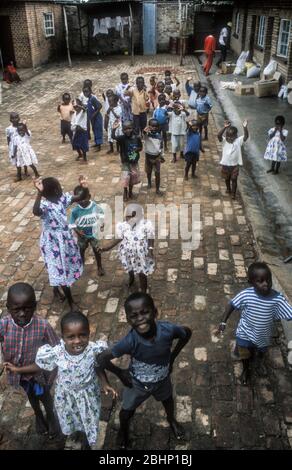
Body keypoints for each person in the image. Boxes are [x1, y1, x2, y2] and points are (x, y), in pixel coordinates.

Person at [5, 311, 117, 449]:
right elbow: (39, 365)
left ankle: (88, 440)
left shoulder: (93, 349)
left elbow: (97, 365)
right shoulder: (57, 353)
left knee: (89, 418)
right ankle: (75, 431)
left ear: (89, 333)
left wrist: (105, 382)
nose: (77, 341)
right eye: (71, 337)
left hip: (88, 395)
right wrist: (18, 370)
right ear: (62, 337)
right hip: (66, 396)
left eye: (82, 335)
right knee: (71, 416)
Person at [97, 292, 192, 449]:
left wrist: (173, 357)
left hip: (162, 381)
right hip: (137, 384)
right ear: (128, 319)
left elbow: (186, 333)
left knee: (168, 400)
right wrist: (120, 373)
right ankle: (123, 432)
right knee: (126, 413)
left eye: (145, 312)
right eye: (134, 316)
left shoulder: (168, 330)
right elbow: (101, 359)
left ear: (155, 312)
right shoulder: (129, 342)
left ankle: (171, 419)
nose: (140, 318)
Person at [217, 262, 292, 385]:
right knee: (245, 354)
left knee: (261, 352)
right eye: (260, 281)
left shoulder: (277, 299)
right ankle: (246, 370)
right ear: (251, 282)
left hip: (263, 335)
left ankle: (259, 361)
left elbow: (289, 313)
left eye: (268, 279)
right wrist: (223, 321)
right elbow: (232, 305)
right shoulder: (246, 295)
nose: (266, 284)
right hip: (245, 332)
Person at [1, 283, 59, 437]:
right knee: (31, 396)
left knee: (45, 397)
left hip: (39, 374)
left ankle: (51, 416)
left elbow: (57, 348)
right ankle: (38, 416)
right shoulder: (3, 325)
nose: (22, 314)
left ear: (34, 306)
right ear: (8, 308)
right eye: (16, 309)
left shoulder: (43, 326)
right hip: (20, 375)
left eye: (27, 309)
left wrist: (52, 369)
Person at [32, 176, 87, 310]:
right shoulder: (45, 206)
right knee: (60, 269)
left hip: (65, 240)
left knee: (63, 265)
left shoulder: (62, 199)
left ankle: (56, 289)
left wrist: (84, 186)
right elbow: (35, 211)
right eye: (58, 187)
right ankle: (71, 302)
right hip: (52, 243)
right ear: (55, 191)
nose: (61, 188)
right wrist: (39, 193)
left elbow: (80, 197)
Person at [101, 204, 155, 292]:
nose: (129, 220)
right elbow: (119, 238)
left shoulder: (146, 225)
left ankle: (144, 290)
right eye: (127, 217)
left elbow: (151, 237)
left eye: (132, 217)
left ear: (140, 217)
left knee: (142, 273)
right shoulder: (122, 226)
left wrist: (150, 250)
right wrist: (107, 247)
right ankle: (131, 277)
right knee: (130, 266)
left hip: (141, 254)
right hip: (127, 253)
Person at [69, 184, 105, 276]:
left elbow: (101, 216)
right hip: (82, 235)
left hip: (94, 234)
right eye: (79, 199)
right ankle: (81, 264)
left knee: (97, 250)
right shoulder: (75, 211)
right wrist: (78, 231)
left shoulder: (95, 207)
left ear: (89, 197)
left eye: (84, 198)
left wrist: (101, 225)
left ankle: (100, 266)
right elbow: (72, 224)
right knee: (81, 249)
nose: (82, 201)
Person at [112, 120, 142, 201]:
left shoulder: (137, 137)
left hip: (134, 162)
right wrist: (113, 129)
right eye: (125, 129)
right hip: (125, 162)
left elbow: (141, 147)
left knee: (132, 178)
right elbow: (113, 137)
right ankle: (125, 192)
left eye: (129, 128)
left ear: (132, 128)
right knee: (125, 178)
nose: (127, 130)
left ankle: (130, 192)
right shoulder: (122, 138)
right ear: (122, 130)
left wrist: (137, 149)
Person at [217, 120, 249, 199]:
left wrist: (245, 127)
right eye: (228, 136)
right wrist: (224, 127)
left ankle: (233, 194)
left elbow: (246, 136)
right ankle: (228, 189)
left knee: (234, 179)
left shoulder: (238, 141)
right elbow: (219, 135)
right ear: (226, 135)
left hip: (235, 166)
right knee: (226, 178)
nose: (230, 138)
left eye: (232, 137)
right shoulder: (224, 141)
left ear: (236, 136)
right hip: (225, 165)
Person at [143, 118, 164, 196]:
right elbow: (143, 134)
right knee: (149, 171)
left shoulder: (159, 136)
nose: (154, 128)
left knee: (157, 174)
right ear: (149, 126)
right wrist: (144, 131)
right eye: (152, 126)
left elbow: (161, 147)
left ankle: (157, 189)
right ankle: (149, 183)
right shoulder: (147, 135)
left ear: (158, 127)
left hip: (157, 158)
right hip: (148, 157)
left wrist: (161, 156)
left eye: (156, 126)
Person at [6, 112, 28, 177]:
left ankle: (25, 171)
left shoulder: (21, 126)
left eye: (16, 117)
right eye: (13, 118)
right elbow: (8, 138)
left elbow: (26, 133)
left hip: (21, 146)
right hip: (13, 146)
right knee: (16, 159)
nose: (15, 119)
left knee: (24, 158)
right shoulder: (8, 129)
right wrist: (9, 147)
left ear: (19, 118)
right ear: (10, 120)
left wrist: (25, 125)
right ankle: (19, 174)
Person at [83, 86, 103, 151]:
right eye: (84, 92)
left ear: (90, 91)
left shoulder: (93, 99)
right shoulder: (89, 100)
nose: (85, 93)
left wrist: (94, 114)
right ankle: (97, 143)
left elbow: (100, 106)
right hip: (93, 119)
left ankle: (99, 146)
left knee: (98, 131)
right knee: (94, 130)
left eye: (86, 91)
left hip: (97, 118)